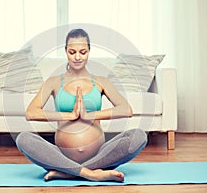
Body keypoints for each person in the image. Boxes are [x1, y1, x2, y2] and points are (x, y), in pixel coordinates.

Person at [16, 28, 147, 182]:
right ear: (65, 51)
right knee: (23, 138)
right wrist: (69, 115)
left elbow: (126, 109)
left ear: (89, 51)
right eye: (72, 52)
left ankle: (68, 172)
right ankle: (90, 173)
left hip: (100, 154)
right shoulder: (53, 82)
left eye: (83, 52)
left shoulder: (101, 81)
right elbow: (31, 113)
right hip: (60, 155)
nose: (77, 57)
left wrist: (89, 115)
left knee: (139, 136)